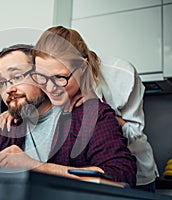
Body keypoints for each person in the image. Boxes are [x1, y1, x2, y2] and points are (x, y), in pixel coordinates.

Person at [0, 44, 136, 187]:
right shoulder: (5, 126)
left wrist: (36, 167)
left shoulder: (90, 116)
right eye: (1, 82)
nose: (8, 89)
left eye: (17, 77)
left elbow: (121, 174)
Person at [32, 25, 158, 192]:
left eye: (60, 77)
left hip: (137, 178)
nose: (50, 87)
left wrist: (99, 108)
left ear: (82, 67)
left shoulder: (122, 75)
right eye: (42, 77)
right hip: (84, 181)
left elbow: (135, 132)